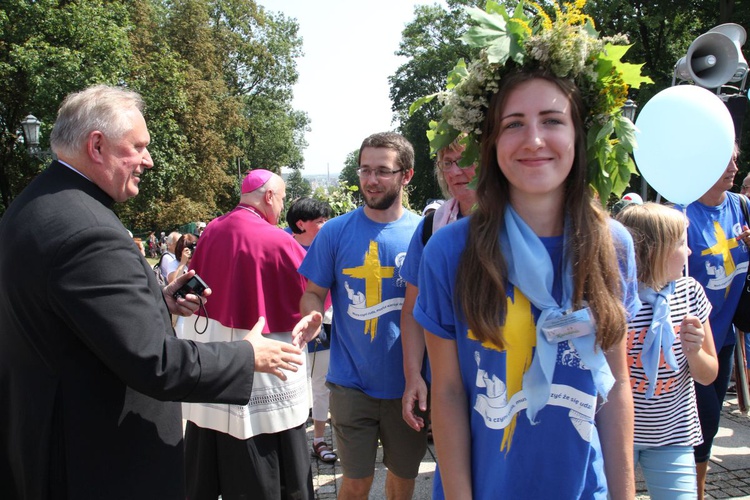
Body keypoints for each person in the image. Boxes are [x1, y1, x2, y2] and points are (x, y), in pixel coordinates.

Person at [0, 85, 304, 499]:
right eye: (138, 146)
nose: (149, 159)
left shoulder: (35, 205)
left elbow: (72, 320)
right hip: (97, 460)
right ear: (96, 145)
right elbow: (155, 363)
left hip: (45, 436)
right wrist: (248, 356)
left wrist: (159, 303)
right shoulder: (91, 231)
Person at [409, 3, 650, 496]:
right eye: (514, 123)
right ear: (491, 142)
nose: (534, 139)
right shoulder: (450, 251)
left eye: (553, 120)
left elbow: (617, 384)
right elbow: (451, 392)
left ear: (581, 136)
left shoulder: (614, 245)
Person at [295, 132, 427, 499]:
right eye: (365, 170)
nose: (371, 180)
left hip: (409, 384)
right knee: (355, 483)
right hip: (351, 384)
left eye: (382, 171)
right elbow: (313, 293)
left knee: (402, 481)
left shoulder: (423, 233)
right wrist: (314, 316)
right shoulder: (335, 232)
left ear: (407, 175)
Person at [177, 169, 314, 499]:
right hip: (267, 355)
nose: (280, 209)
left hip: (217, 352)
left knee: (210, 436)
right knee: (275, 457)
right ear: (268, 197)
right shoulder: (280, 239)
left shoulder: (211, 231)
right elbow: (313, 292)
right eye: (281, 200)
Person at [617, 202, 718, 497]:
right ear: (653, 250)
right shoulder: (615, 297)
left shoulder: (690, 293)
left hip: (674, 435)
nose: (688, 252)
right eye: (681, 244)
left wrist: (695, 351)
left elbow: (708, 375)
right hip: (617, 435)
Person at [400, 136, 477, 438]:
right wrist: (413, 375)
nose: (455, 172)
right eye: (447, 164)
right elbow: (411, 311)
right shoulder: (432, 227)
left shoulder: (520, 221)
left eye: (465, 160)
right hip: (450, 381)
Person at [684, 143, 749, 499]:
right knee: (698, 424)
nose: (735, 167)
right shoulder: (681, 212)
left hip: (724, 337)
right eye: (727, 160)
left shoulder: (742, 207)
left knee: (708, 428)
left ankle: (698, 491)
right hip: (688, 342)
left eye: (736, 160)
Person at [286, 197, 338, 463]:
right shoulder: (281, 247)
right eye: (320, 221)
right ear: (301, 224)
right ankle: (291, 445)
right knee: (292, 385)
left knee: (321, 385)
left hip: (324, 325)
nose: (326, 224)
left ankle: (319, 439)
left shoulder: (327, 247)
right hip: (287, 329)